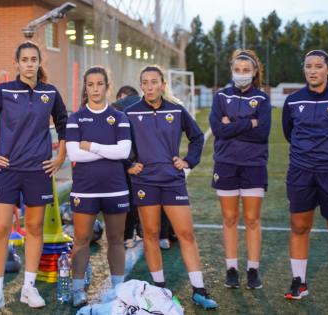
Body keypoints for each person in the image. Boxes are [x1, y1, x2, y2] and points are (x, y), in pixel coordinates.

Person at [0, 41, 67, 312]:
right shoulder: (4, 91)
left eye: (34, 59)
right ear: (17, 63)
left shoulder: (51, 93)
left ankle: (28, 287)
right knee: (0, 229)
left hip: (38, 170)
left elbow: (64, 124)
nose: (30, 63)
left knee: (34, 229)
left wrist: (60, 156)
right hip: (6, 170)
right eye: (25, 59)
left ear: (39, 62)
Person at [125, 65, 218, 309]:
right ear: (141, 86)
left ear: (163, 85)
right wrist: (128, 164)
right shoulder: (131, 112)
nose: (149, 86)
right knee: (151, 234)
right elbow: (119, 141)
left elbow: (196, 137)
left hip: (172, 180)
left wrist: (188, 161)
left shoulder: (176, 110)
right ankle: (159, 289)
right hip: (144, 181)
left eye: (154, 82)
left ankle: (199, 289)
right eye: (145, 82)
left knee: (186, 233)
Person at [282, 50, 328, 305]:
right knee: (299, 226)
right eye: (308, 66)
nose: (312, 71)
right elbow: (289, 133)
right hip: (301, 172)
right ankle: (298, 283)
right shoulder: (293, 101)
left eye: (317, 66)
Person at [66, 66, 132, 307]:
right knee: (81, 239)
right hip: (85, 189)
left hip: (115, 188)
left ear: (107, 86)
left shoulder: (119, 117)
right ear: (86, 87)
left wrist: (91, 146)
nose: (95, 89)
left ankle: (118, 289)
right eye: (90, 84)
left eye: (99, 84)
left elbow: (123, 152)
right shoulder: (76, 118)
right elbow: (74, 153)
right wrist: (108, 152)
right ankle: (78, 290)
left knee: (116, 239)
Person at [209, 49, 270, 290]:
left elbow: (262, 133)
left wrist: (233, 123)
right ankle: (231, 268)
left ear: (254, 72)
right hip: (226, 163)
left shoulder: (263, 99)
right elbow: (219, 130)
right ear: (232, 70)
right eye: (237, 70)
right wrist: (249, 122)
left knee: (253, 219)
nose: (242, 74)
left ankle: (253, 269)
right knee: (230, 218)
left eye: (246, 70)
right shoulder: (221, 96)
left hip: (254, 165)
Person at [114, 86, 144, 249]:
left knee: (128, 199)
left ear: (122, 95)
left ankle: (126, 236)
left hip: (125, 160)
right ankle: (161, 235)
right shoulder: (144, 103)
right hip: (146, 158)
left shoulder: (118, 106)